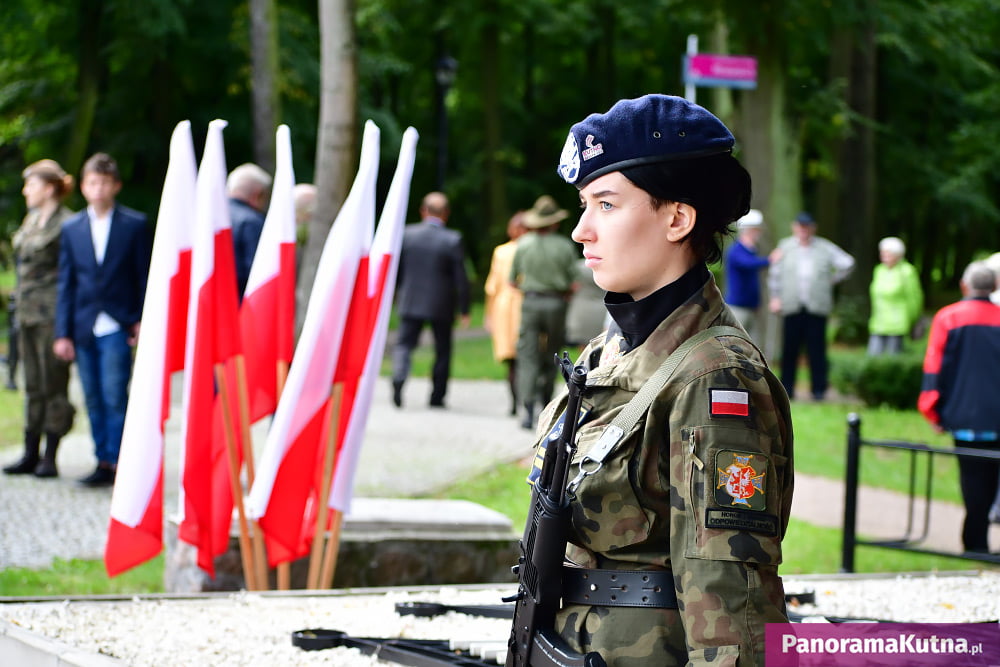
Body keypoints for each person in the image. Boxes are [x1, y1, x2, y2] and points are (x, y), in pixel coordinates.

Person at [529, 94, 794, 665]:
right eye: (584, 205)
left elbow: (733, 606)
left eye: (606, 204)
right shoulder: (611, 351)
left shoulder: (716, 376)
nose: (581, 231)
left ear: (677, 218)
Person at [54, 152, 152, 487]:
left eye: (105, 183)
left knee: (114, 394)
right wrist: (62, 332)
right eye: (93, 183)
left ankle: (121, 460)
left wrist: (140, 319)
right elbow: (66, 282)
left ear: (116, 186)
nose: (99, 189)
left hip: (117, 322)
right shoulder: (72, 228)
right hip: (83, 324)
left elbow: (142, 276)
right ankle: (103, 460)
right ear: (83, 186)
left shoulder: (134, 225)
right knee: (92, 397)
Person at [918, 261, 1000, 553]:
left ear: (965, 286)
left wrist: (931, 408)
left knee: (973, 479)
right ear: (995, 286)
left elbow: (935, 367)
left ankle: (975, 543)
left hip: (964, 416)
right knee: (991, 480)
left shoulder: (948, 318)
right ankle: (978, 542)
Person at [2, 160, 77, 478]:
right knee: (31, 384)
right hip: (27, 314)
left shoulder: (68, 224)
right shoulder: (31, 219)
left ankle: (50, 454)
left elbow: (73, 275)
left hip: (52, 314)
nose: (25, 191)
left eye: (31, 184)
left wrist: (67, 325)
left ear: (48, 188)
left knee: (53, 384)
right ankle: (30, 452)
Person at [391, 191, 470, 408]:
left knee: (404, 344)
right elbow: (461, 279)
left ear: (423, 211)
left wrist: (397, 294)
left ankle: (399, 377)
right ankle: (437, 396)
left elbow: (396, 271)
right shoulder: (452, 239)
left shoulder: (407, 235)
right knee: (442, 350)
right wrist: (464, 308)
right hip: (441, 304)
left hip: (410, 299)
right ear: (446, 213)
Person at [767, 211, 855, 400]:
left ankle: (819, 389)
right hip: (791, 305)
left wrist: (831, 280)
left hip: (817, 307)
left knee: (817, 350)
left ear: (813, 228)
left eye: (807, 227)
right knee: (789, 350)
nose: (803, 230)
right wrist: (775, 297)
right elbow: (775, 273)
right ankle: (786, 389)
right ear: (794, 227)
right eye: (800, 226)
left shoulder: (824, 247)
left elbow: (847, 263)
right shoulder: (785, 246)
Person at [509, 195, 579, 430]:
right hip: (556, 303)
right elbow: (574, 282)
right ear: (554, 222)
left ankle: (527, 409)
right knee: (553, 352)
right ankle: (546, 403)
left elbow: (512, 281)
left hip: (530, 302)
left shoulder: (523, 244)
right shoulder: (564, 246)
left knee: (527, 355)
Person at [483, 210, 526, 416]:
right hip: (524, 303)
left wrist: (489, 314)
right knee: (528, 355)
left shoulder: (501, 252)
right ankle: (527, 400)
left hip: (504, 307)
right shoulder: (530, 248)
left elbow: (492, 287)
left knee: (511, 359)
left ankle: (515, 401)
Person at [867, 236, 923, 355]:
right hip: (878, 322)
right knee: (873, 357)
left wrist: (912, 318)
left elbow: (914, 298)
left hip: (897, 324)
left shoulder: (907, 271)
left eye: (888, 254)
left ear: (898, 255)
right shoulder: (879, 270)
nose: (884, 257)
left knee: (893, 358)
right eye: (882, 253)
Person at [723, 208, 770, 340]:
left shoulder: (752, 251)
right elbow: (748, 264)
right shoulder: (735, 251)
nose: (759, 233)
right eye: (757, 230)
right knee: (735, 343)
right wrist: (770, 260)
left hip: (752, 307)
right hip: (737, 307)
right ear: (749, 231)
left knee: (754, 344)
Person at [228, 163, 272, 299]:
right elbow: (258, 273)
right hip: (239, 303)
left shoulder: (204, 217)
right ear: (258, 195)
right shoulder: (252, 222)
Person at [565, 258, 607, 347]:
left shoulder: (578, 266)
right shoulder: (606, 266)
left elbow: (571, 286)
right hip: (602, 308)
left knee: (583, 344)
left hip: (581, 308)